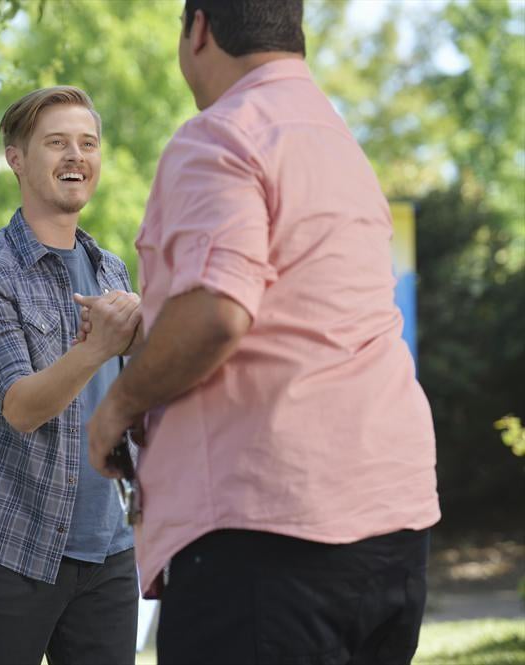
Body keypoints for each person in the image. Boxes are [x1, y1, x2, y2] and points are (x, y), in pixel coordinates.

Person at [86, 2, 441, 663]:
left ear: (198, 30)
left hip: (264, 528)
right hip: (391, 523)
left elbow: (220, 311)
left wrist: (118, 405)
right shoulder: (338, 142)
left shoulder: (219, 136)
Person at [0, 86, 142, 665]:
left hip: (108, 549)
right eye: (57, 143)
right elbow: (21, 407)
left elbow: (126, 401)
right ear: (16, 158)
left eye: (88, 143)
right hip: (10, 544)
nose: (76, 156)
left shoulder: (112, 268)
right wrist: (97, 345)